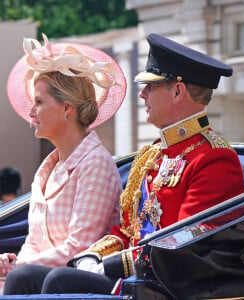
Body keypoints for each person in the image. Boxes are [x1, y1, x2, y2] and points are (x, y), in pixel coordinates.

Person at [4, 33, 244, 295]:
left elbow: (182, 245)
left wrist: (110, 266)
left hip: (170, 286)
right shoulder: (151, 156)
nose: (142, 94)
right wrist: (95, 255)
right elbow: (125, 230)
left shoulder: (214, 159)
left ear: (178, 91)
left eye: (152, 86)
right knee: (26, 279)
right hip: (137, 280)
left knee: (60, 282)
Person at [1, 34, 126, 292]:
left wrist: (20, 266)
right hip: (41, 277)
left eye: (38, 102)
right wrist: (14, 261)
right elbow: (34, 242)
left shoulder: (95, 164)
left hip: (80, 281)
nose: (31, 112)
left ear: (67, 109)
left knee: (19, 279)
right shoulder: (47, 169)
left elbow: (80, 247)